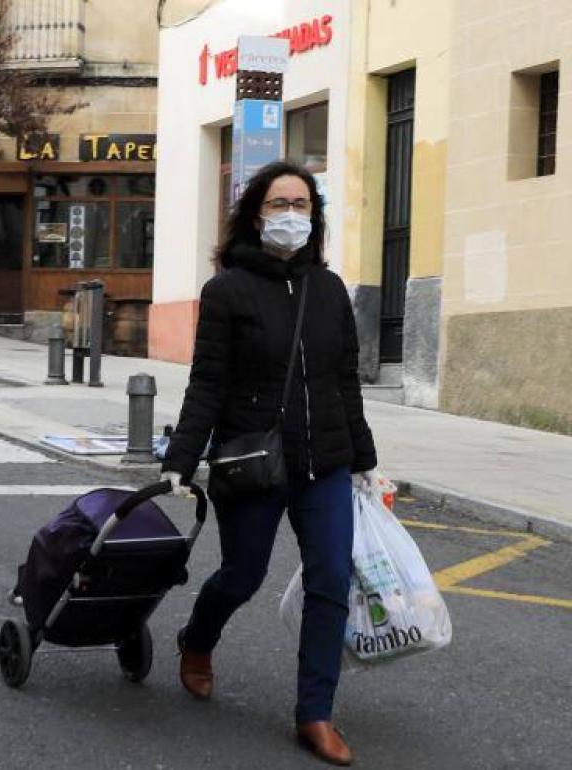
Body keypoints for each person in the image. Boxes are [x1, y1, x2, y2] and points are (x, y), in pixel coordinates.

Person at [160, 161, 379, 766]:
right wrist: (182, 458)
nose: (290, 215)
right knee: (243, 575)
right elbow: (208, 383)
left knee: (330, 579)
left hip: (325, 462)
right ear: (256, 215)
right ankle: (198, 639)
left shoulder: (330, 290)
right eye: (279, 204)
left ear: (315, 216)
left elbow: (344, 381)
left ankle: (315, 714)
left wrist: (364, 458)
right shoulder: (227, 291)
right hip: (255, 461)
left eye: (301, 205)